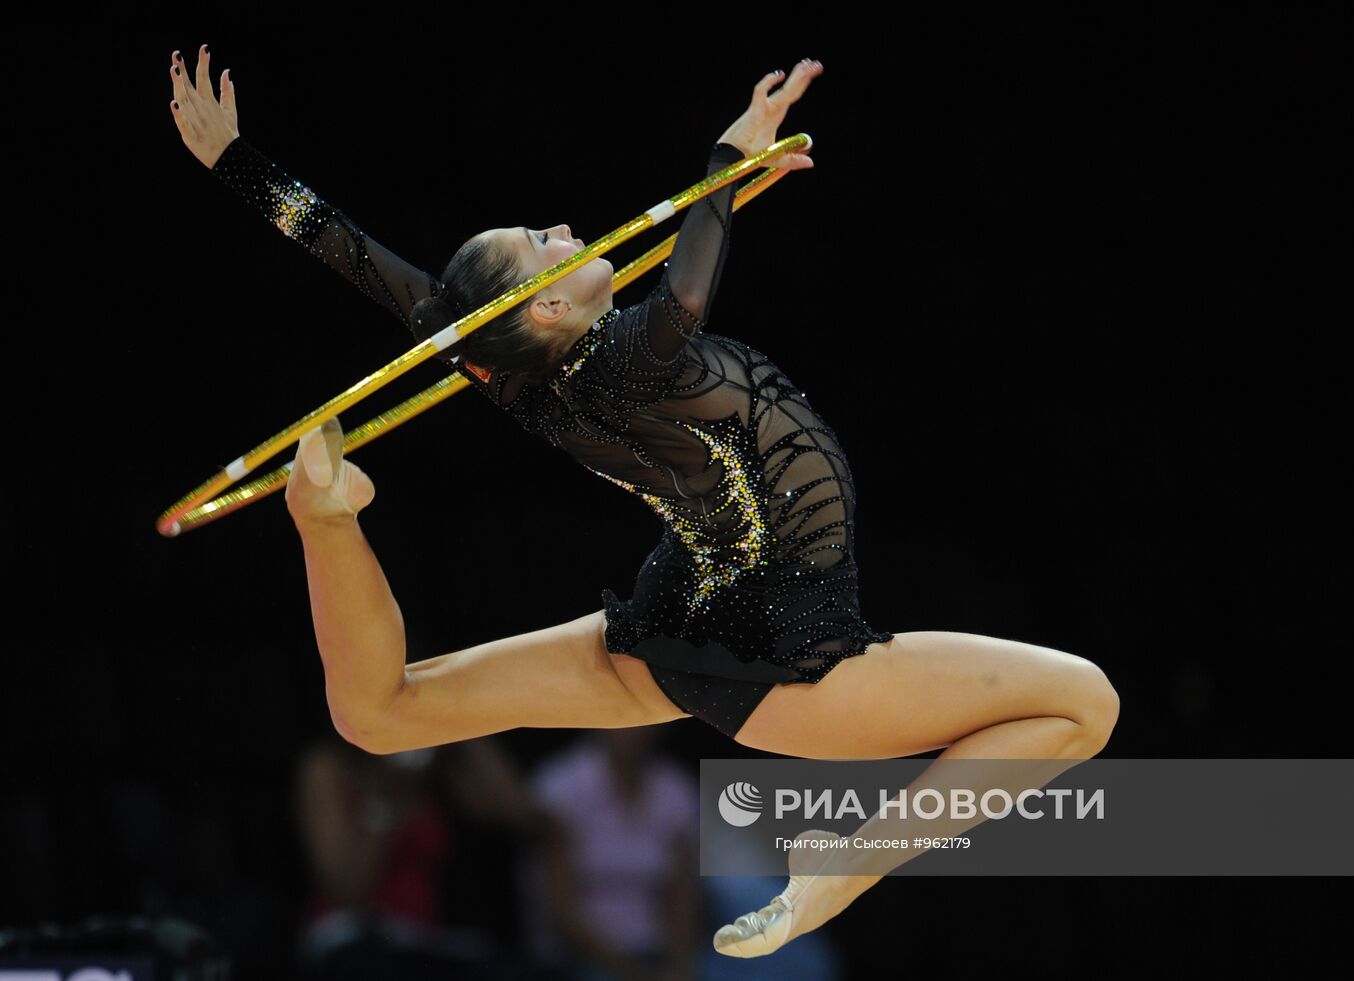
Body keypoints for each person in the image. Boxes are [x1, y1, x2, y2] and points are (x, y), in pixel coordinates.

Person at [168, 45, 1122, 958]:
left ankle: (326, 521)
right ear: (542, 305)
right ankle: (844, 867)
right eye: (542, 242)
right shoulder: (627, 360)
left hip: (669, 630)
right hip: (784, 658)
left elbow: (362, 258)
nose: (563, 230)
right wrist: (724, 164)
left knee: (378, 715)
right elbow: (685, 303)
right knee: (1084, 705)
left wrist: (235, 163)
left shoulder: (511, 373)